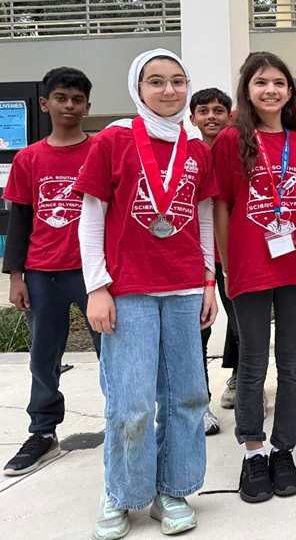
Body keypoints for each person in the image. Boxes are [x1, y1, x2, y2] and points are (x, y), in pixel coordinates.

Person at [76, 49, 218, 538]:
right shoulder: (114, 139)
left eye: (178, 80)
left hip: (184, 287)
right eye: (156, 81)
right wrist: (97, 287)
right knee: (131, 402)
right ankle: (121, 493)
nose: (169, 90)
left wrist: (208, 280)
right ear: (138, 88)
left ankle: (172, 490)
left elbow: (203, 217)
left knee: (187, 396)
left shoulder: (196, 147)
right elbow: (91, 216)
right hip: (128, 289)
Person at [212, 52, 296, 503]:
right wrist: (227, 266)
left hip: (295, 266)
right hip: (249, 266)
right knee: (253, 363)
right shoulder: (231, 140)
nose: (271, 90)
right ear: (247, 90)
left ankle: (283, 449)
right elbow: (222, 207)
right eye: (261, 82)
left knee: (294, 363)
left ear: (290, 91)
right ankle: (253, 452)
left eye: (279, 83)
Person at [2, 67, 101, 477]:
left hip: (95, 273)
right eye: (61, 98)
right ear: (45, 103)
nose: (69, 106)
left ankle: (123, 424)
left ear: (88, 106)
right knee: (44, 358)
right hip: (43, 273)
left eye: (77, 100)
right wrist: (15, 277)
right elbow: (20, 221)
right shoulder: (29, 158)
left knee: (113, 353)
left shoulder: (101, 151)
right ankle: (43, 432)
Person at [189, 87, 234, 435]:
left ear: (230, 116)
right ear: (192, 119)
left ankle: (244, 385)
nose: (211, 117)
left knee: (244, 325)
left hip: (235, 255)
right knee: (198, 331)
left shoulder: (239, 151)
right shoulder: (187, 156)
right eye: (203, 111)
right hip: (199, 256)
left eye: (218, 110)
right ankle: (199, 402)